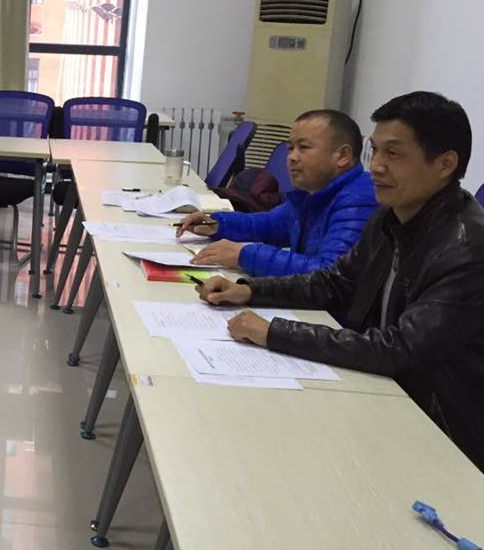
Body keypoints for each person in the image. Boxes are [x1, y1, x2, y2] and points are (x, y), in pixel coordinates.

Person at [198, 92, 484, 471]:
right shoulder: (391, 216)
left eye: (393, 154)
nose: (376, 166)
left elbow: (399, 350)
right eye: (375, 151)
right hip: (383, 392)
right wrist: (249, 290)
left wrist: (274, 332)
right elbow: (334, 282)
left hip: (440, 432)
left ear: (445, 164)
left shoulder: (466, 249)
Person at [178, 110, 378, 274]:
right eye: (291, 148)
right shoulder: (314, 191)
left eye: (303, 147)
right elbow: (269, 224)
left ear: (342, 156)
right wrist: (217, 224)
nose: (292, 157)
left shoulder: (359, 199)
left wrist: (245, 255)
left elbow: (329, 273)